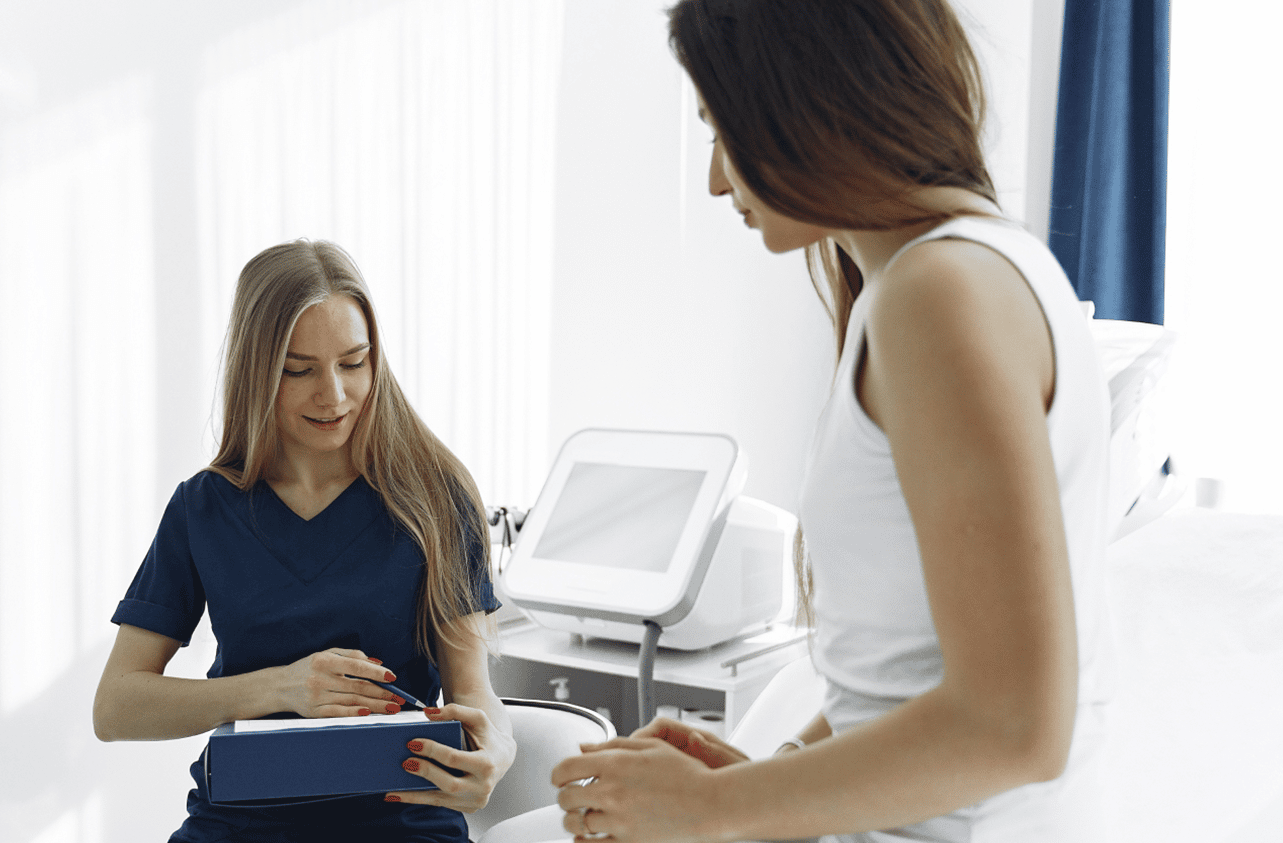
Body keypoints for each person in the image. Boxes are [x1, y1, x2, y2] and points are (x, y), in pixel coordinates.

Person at [546, 1, 1115, 841]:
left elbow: (1014, 726)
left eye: (721, 130)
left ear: (805, 97)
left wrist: (712, 808)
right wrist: (767, 777)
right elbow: (907, 674)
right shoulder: (963, 274)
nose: (716, 179)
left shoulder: (940, 295)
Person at [93, 240, 515, 842]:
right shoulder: (204, 508)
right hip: (237, 827)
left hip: (400, 824)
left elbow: (474, 693)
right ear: (257, 370)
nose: (334, 395)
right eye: (299, 370)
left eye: (354, 363)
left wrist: (496, 751)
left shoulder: (435, 497)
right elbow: (115, 708)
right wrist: (281, 686)